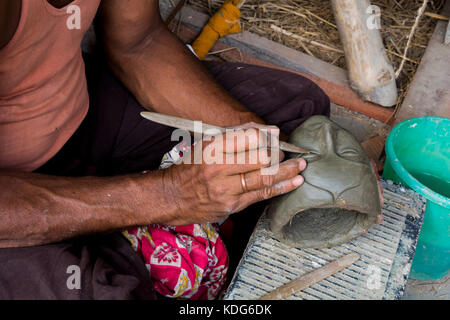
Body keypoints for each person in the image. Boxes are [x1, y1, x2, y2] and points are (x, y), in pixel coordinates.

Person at [0, 0, 330, 299]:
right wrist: (170, 195)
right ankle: (119, 250)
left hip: (79, 121)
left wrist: (252, 141)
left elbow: (138, 42)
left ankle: (129, 247)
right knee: (103, 292)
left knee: (296, 117)